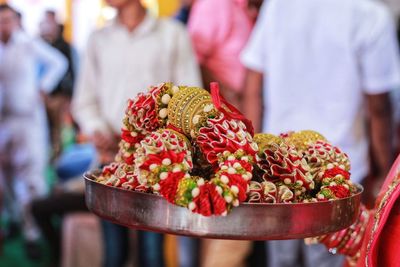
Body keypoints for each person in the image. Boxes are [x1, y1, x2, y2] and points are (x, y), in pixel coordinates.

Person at [241, 0, 400, 266]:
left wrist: (249, 156)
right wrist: (383, 176)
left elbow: (253, 85)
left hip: (276, 171)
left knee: (282, 260)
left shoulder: (279, 6)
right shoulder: (370, 16)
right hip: (340, 177)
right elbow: (379, 107)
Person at [71, 0, 201, 266]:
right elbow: (84, 101)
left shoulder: (172, 34)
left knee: (152, 252)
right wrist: (97, 130)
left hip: (158, 162)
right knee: (114, 253)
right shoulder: (99, 39)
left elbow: (191, 100)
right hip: (111, 159)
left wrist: (156, 142)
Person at [0, 4, 67, 259]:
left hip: (28, 119)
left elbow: (57, 63)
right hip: (2, 121)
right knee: (5, 177)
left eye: (7, 20)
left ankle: (33, 232)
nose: (3, 26)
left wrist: (43, 87)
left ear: (15, 22)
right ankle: (13, 218)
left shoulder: (27, 43)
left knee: (32, 177)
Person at [187, 0, 254, 109]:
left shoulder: (241, 6)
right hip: (223, 105)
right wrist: (225, 94)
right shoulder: (214, 3)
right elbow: (193, 59)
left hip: (241, 103)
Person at [40, 10, 76, 159]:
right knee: (45, 131)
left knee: (58, 130)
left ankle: (58, 161)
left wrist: (68, 95)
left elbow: (70, 70)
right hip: (44, 98)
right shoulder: (39, 44)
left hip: (59, 96)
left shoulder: (64, 45)